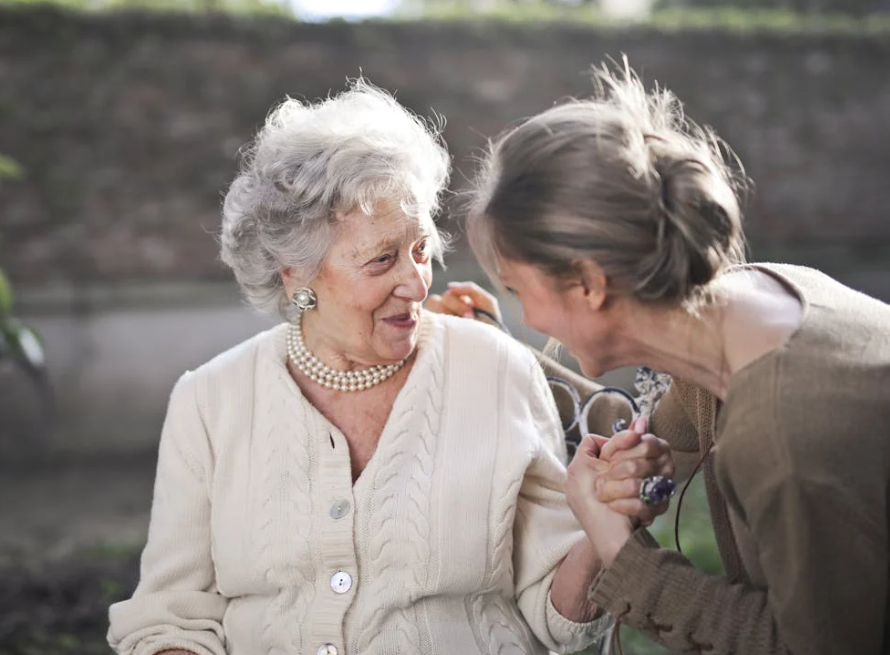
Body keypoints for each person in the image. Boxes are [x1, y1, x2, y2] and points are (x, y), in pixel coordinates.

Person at [106, 80, 672, 655]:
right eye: (381, 259)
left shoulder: (494, 369)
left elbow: (560, 617)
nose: (417, 281)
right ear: (294, 274)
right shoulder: (209, 400)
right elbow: (170, 619)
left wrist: (602, 524)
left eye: (421, 249)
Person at [457, 59, 890, 655]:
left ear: (587, 283)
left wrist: (622, 554)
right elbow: (653, 430)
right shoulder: (755, 299)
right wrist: (483, 344)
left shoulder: (785, 438)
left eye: (517, 291)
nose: (527, 318)